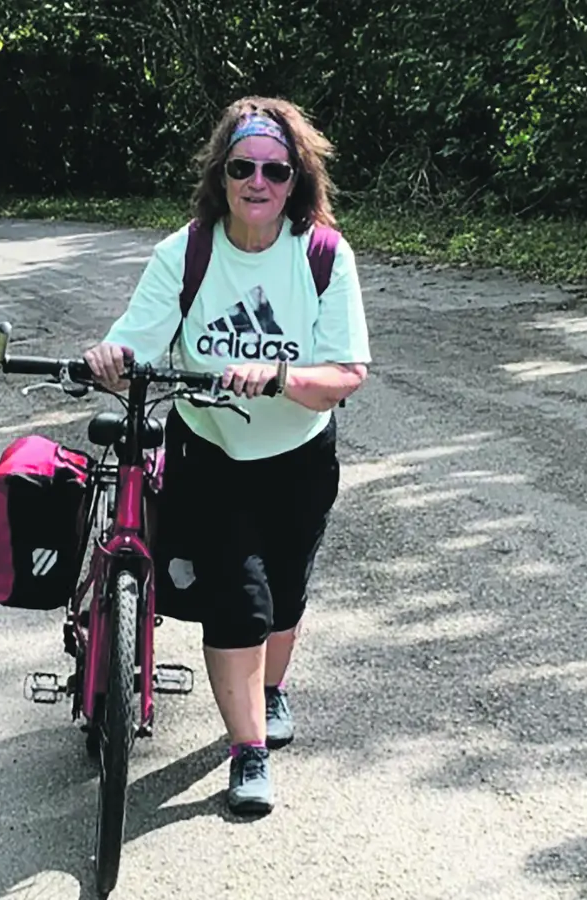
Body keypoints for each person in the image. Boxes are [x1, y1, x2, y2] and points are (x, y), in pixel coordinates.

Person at [82, 96, 371, 815]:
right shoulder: (186, 253)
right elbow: (136, 339)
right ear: (222, 174)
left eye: (276, 169)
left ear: (297, 180)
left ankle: (270, 691)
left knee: (284, 595)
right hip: (208, 450)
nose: (258, 182)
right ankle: (248, 751)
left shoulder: (324, 257)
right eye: (243, 166)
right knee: (237, 600)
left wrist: (279, 376)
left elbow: (345, 376)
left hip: (298, 453)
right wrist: (113, 357)